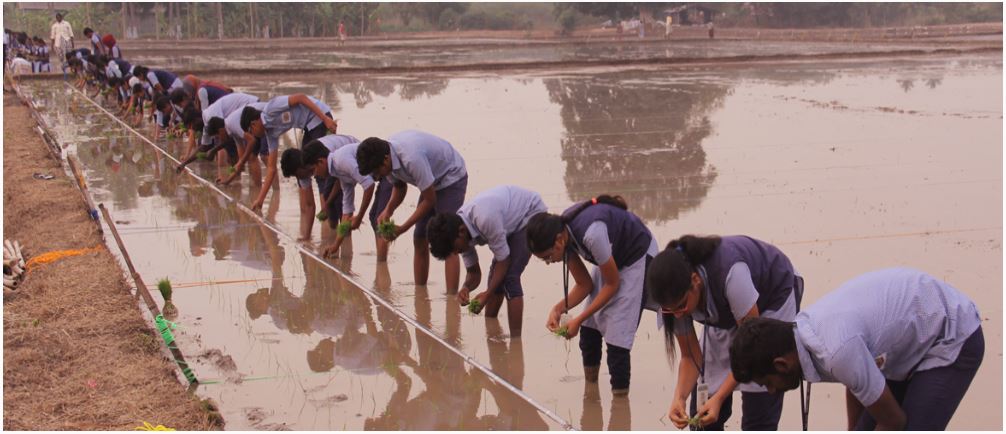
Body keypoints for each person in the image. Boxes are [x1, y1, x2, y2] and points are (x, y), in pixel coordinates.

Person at [730, 267, 983, 431]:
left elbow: (894, 422)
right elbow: (857, 380)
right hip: (904, 346)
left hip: (948, 333)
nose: (772, 391)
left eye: (767, 383)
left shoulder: (836, 350)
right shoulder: (807, 334)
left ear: (781, 364)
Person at [646, 235, 803, 430]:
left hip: (772, 298)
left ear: (695, 281)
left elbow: (753, 348)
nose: (678, 316)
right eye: (671, 310)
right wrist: (680, 397)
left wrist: (720, 398)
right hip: (727, 311)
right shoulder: (673, 300)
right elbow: (690, 356)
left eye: (681, 306)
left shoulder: (731, 273)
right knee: (702, 417)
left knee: (758, 408)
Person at [526, 194, 658, 395]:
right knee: (589, 331)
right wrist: (558, 309)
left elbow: (613, 284)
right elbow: (584, 284)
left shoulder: (592, 234)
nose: (549, 262)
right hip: (613, 258)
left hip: (636, 255)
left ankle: (620, 405)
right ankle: (591, 391)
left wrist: (577, 319)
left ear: (558, 241)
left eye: (547, 257)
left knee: (617, 340)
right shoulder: (563, 233)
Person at [427, 185, 547, 337]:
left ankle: (516, 342)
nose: (457, 253)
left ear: (462, 232)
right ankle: (492, 334)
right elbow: (474, 273)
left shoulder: (485, 218)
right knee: (494, 278)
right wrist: (466, 288)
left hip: (529, 214)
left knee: (510, 277)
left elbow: (504, 261)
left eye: (455, 249)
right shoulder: (459, 234)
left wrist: (488, 293)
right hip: (507, 220)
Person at [355, 130, 468, 292]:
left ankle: (451, 302)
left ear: (385, 160)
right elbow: (400, 187)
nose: (376, 177)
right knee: (419, 237)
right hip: (432, 182)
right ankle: (420, 293)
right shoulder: (387, 159)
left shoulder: (411, 158)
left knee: (449, 240)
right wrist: (388, 210)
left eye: (376, 172)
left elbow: (430, 200)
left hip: (451, 177)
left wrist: (403, 228)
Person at [228, 94, 337, 215]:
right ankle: (308, 213)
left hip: (319, 117)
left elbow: (301, 98)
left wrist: (325, 119)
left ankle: (327, 218)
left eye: (251, 132)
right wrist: (260, 200)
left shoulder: (271, 108)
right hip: (308, 127)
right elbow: (271, 169)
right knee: (301, 169)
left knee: (318, 170)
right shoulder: (271, 134)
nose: (253, 135)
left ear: (253, 124)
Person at [295, 139, 394, 261]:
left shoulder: (341, 160)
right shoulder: (338, 172)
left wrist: (359, 217)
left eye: (313, 170)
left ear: (321, 162)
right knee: (374, 216)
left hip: (388, 171)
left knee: (378, 218)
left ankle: (381, 266)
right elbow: (347, 212)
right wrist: (336, 245)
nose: (315, 175)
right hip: (380, 175)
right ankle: (382, 264)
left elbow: (368, 185)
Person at [279, 134, 358, 239]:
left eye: (297, 174)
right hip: (334, 166)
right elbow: (310, 205)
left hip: (350, 155)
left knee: (340, 203)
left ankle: (346, 243)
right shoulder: (304, 172)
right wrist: (306, 236)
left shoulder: (323, 156)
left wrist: (328, 202)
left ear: (302, 167)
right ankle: (334, 235)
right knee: (327, 198)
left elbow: (340, 180)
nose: (299, 178)